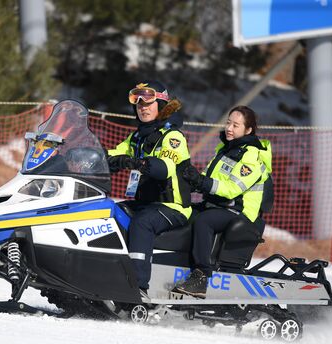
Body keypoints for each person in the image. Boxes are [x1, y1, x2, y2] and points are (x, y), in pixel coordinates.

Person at [172, 105, 272, 298]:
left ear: (248, 130)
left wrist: (202, 182)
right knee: (182, 211)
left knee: (204, 221)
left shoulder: (251, 156)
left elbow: (232, 189)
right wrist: (189, 180)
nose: (229, 128)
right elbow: (212, 178)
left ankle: (201, 277)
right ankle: (176, 263)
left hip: (239, 211)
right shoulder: (225, 149)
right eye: (228, 123)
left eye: (236, 125)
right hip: (218, 205)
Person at [107, 80, 192, 295]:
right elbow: (114, 153)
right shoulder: (137, 136)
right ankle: (105, 274)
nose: (142, 107)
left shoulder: (172, 137)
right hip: (145, 204)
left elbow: (164, 167)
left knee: (142, 223)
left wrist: (140, 163)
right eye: (138, 102)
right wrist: (84, 155)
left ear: (161, 106)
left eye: (148, 102)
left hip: (172, 207)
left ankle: (138, 286)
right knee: (108, 212)